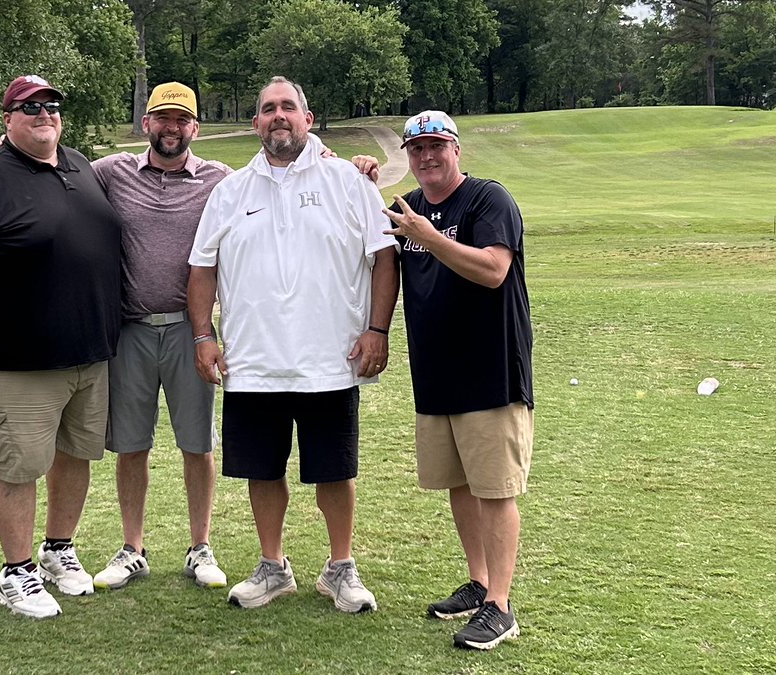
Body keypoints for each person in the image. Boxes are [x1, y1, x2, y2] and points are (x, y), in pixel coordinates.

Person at [187, 76, 399, 613]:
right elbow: (201, 268)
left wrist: (377, 330)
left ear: (308, 118)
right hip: (253, 362)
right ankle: (272, 566)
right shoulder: (230, 191)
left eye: (288, 107)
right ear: (255, 122)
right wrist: (204, 336)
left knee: (335, 468)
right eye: (267, 109)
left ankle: (340, 568)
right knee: (262, 469)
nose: (278, 116)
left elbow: (384, 257)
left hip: (331, 359)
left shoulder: (347, 182)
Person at [0, 75, 122, 619]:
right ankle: (15, 572)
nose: (45, 114)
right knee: (19, 466)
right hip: (18, 360)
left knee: (77, 455)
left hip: (89, 353)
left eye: (52, 106)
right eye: (30, 107)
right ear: (8, 119)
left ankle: (58, 549)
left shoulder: (80, 164)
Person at [357, 110, 534, 650]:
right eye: (417, 149)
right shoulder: (406, 210)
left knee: (495, 489)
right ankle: (480, 583)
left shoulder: (487, 199)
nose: (427, 157)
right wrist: (355, 176)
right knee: (458, 484)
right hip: (436, 373)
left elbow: (492, 269)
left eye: (437, 146)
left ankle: (501, 607)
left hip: (491, 370)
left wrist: (428, 236)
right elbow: (369, 246)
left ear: (456, 149)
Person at [88, 82, 233, 591]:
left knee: (197, 444)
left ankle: (200, 547)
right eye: (162, 118)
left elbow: (278, 173)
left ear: (195, 127)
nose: (171, 128)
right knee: (131, 445)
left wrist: (342, 161)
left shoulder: (221, 180)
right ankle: (132, 548)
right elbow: (56, 174)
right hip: (129, 330)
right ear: (147, 122)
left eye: (182, 120)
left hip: (192, 331)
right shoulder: (112, 172)